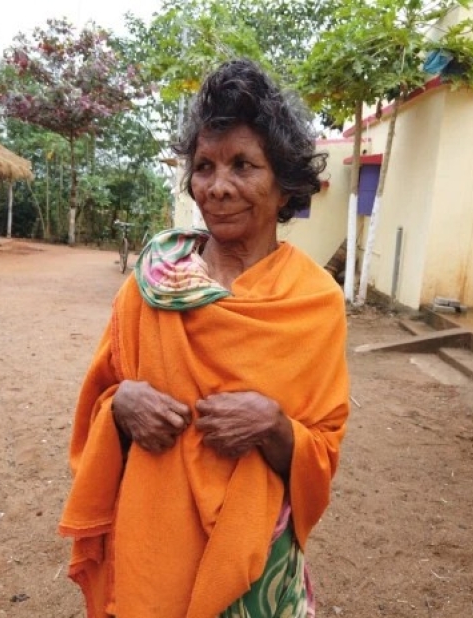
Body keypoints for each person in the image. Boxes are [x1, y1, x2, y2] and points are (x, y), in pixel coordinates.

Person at [59, 58, 351, 618]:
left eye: (244, 165)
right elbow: (100, 397)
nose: (218, 187)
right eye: (204, 166)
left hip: (255, 560)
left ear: (284, 180)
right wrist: (122, 405)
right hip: (152, 545)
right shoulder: (150, 282)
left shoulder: (314, 301)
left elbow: (325, 445)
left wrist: (273, 426)